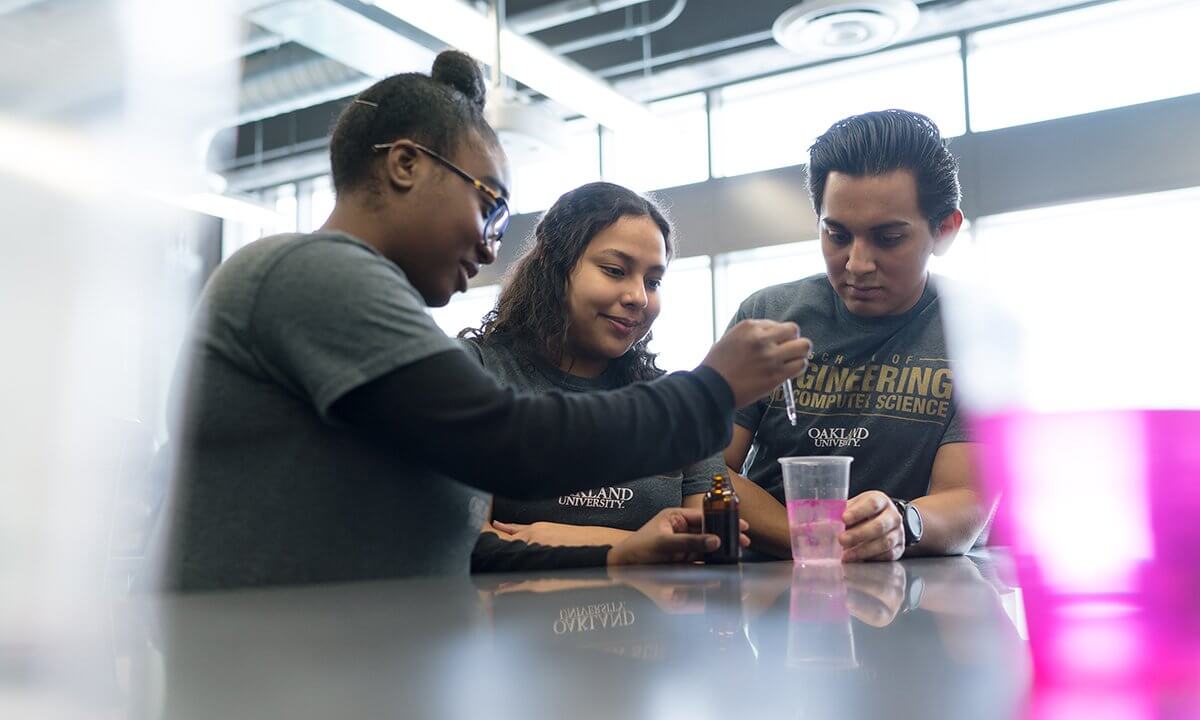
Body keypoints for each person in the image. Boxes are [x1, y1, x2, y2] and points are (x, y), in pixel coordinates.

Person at [155, 50, 810, 590]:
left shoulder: (367, 302)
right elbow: (512, 441)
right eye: (490, 204)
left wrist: (613, 556)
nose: (495, 245)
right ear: (406, 163)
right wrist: (712, 388)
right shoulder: (312, 273)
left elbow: (463, 531)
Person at [723, 109, 991, 562]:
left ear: (944, 230)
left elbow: (968, 496)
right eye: (837, 235)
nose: (857, 264)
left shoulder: (974, 332)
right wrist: (809, 539)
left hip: (911, 591)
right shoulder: (767, 316)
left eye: (888, 238)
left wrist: (901, 522)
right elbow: (709, 469)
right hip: (770, 592)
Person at [459, 182, 741, 571]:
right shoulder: (480, 371)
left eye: (653, 281)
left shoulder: (676, 402)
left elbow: (711, 550)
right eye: (615, 271)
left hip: (655, 626)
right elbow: (465, 541)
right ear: (555, 267)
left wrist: (578, 539)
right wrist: (650, 546)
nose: (638, 297)